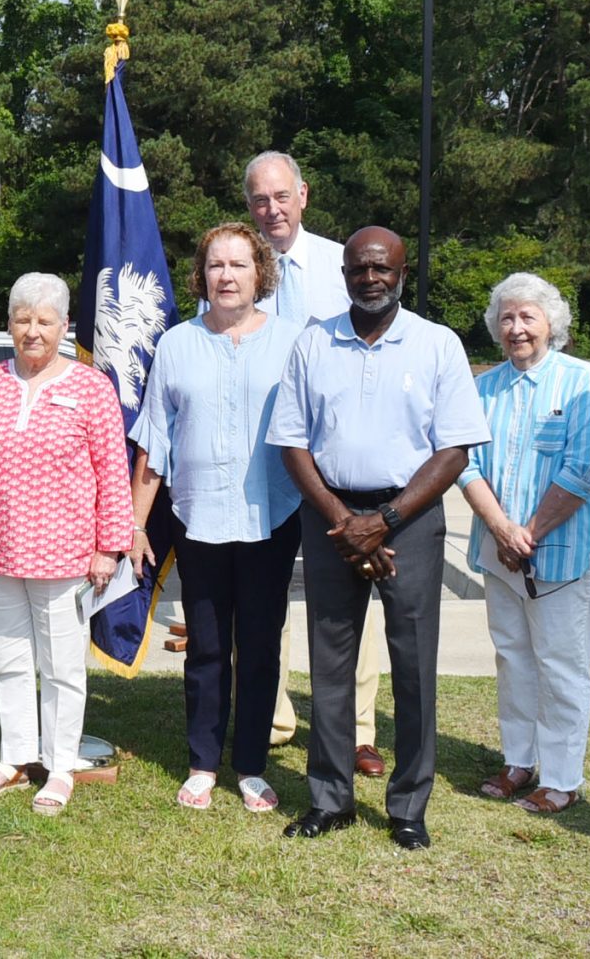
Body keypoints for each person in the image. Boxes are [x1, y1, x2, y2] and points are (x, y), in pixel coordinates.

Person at [267, 226, 488, 850]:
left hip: (409, 521)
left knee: (413, 665)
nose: (371, 278)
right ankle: (330, 798)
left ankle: (409, 807)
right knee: (330, 664)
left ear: (401, 273)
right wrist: (343, 519)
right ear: (343, 275)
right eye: (360, 269)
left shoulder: (437, 344)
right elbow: (292, 441)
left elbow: (454, 449)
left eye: (382, 268)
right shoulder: (314, 341)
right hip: (331, 516)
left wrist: (384, 521)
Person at [129, 224, 306, 813]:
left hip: (270, 521)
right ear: (201, 276)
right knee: (206, 648)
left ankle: (251, 766)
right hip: (198, 520)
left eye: (238, 265)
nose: (226, 276)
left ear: (261, 273)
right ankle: (203, 763)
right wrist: (134, 526)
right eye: (215, 266)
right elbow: (155, 440)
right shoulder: (177, 343)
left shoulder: (291, 341)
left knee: (259, 646)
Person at [0, 273, 134, 816]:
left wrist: (108, 547)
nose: (33, 330)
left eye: (44, 320)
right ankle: (14, 757)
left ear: (64, 326)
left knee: (60, 666)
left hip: (66, 555)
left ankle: (59, 766)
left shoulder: (90, 387)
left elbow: (112, 473)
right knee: (7, 661)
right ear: (8, 324)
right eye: (22, 318)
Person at [244, 150, 389, 778]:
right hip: (261, 457)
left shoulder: (344, 262)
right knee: (263, 592)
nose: (270, 210)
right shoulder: (234, 269)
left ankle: (358, 730)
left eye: (280, 197)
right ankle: (273, 715)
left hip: (335, 458)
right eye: (258, 200)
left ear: (303, 195)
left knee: (353, 592)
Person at [454, 274, 590, 815]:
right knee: (513, 658)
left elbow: (586, 468)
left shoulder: (581, 381)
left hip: (560, 557)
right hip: (500, 554)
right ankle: (519, 760)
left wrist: (530, 533)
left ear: (551, 324)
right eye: (507, 318)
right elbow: (465, 462)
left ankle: (562, 778)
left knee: (561, 664)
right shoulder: (484, 388)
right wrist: (501, 529)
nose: (517, 328)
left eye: (528, 317)